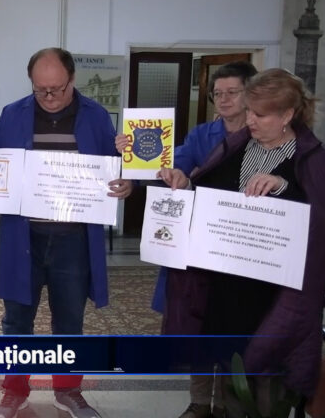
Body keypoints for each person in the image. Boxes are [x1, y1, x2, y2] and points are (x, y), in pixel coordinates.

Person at [0, 48, 132, 418]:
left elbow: (115, 169)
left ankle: (68, 391)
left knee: (69, 322)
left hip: (74, 239)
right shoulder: (13, 113)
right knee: (16, 322)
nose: (49, 97)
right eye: (41, 90)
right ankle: (14, 391)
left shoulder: (95, 116)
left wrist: (126, 181)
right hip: (23, 238)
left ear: (72, 80)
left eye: (57, 89)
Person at [162, 68, 325, 417]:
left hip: (275, 296)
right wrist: (186, 184)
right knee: (230, 373)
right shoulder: (237, 146)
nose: (250, 120)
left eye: (260, 114)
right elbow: (211, 195)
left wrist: (284, 187)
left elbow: (322, 227)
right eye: (250, 111)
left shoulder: (314, 160)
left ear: (287, 115)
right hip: (226, 286)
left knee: (266, 387)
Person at [115, 61, 258, 418]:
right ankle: (198, 402)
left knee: (235, 326)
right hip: (200, 248)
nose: (223, 99)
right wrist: (142, 156)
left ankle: (228, 404)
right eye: (217, 93)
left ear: (250, 93)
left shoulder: (262, 136)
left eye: (232, 92)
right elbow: (167, 166)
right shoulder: (202, 135)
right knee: (199, 324)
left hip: (243, 247)